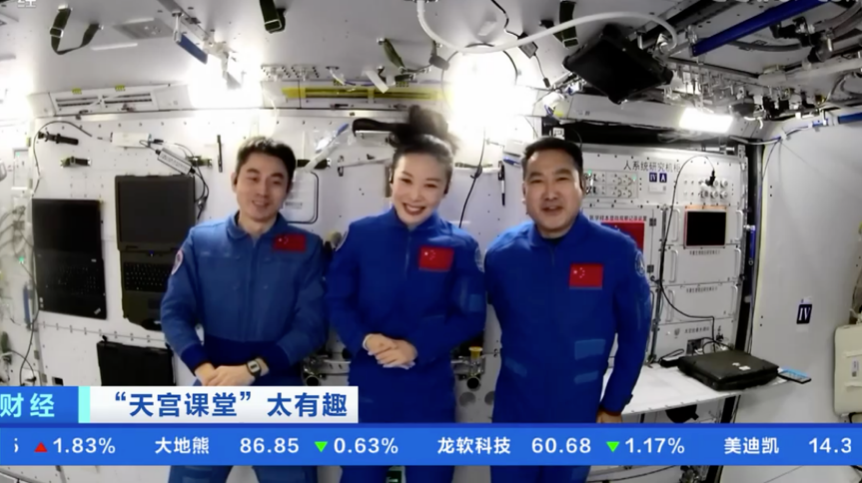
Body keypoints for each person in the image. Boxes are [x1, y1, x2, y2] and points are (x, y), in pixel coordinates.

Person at [325, 106, 487, 483]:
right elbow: (335, 298)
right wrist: (364, 338)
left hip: (429, 393)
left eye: (430, 185)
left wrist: (416, 347)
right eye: (406, 180)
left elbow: (471, 315)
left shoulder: (460, 245)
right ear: (390, 179)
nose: (415, 195)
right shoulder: (361, 235)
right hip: (369, 389)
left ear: (446, 188)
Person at [485, 137, 653, 483]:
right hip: (515, 413)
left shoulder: (617, 253)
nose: (550, 193)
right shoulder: (501, 256)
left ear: (582, 186)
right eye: (537, 181)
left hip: (577, 412)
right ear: (524, 192)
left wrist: (613, 404)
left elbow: (635, 335)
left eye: (561, 178)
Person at [161, 136, 326, 483]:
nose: (262, 191)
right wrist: (204, 370)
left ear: (288, 189)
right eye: (253, 177)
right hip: (214, 385)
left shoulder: (307, 248)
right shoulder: (201, 241)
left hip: (279, 392)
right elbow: (174, 313)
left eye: (275, 181)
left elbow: (312, 326)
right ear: (235, 180)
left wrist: (252, 369)